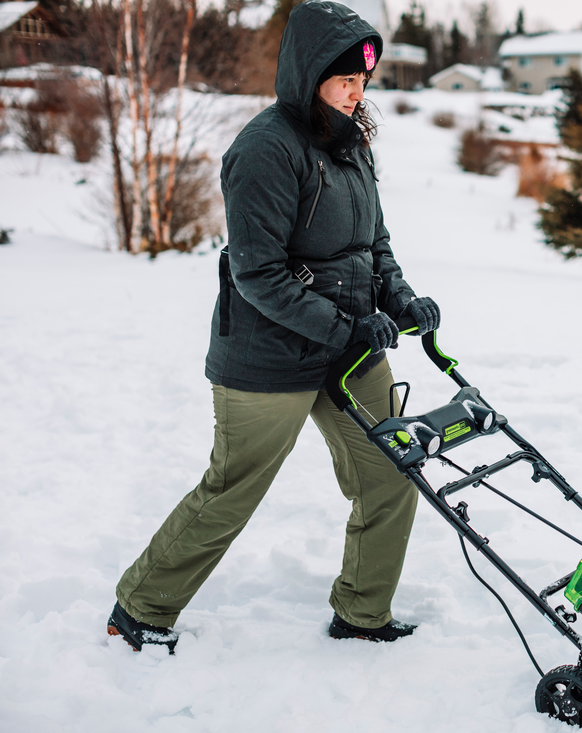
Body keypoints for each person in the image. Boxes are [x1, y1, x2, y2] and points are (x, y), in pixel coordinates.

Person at [107, 0, 439, 652]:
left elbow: (374, 244)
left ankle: (362, 614)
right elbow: (259, 275)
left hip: (347, 347)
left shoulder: (350, 142)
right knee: (233, 488)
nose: (356, 91)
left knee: (392, 473)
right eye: (344, 78)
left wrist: (401, 300)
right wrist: (344, 324)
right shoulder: (264, 150)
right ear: (308, 73)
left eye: (362, 80)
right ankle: (140, 607)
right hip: (269, 352)